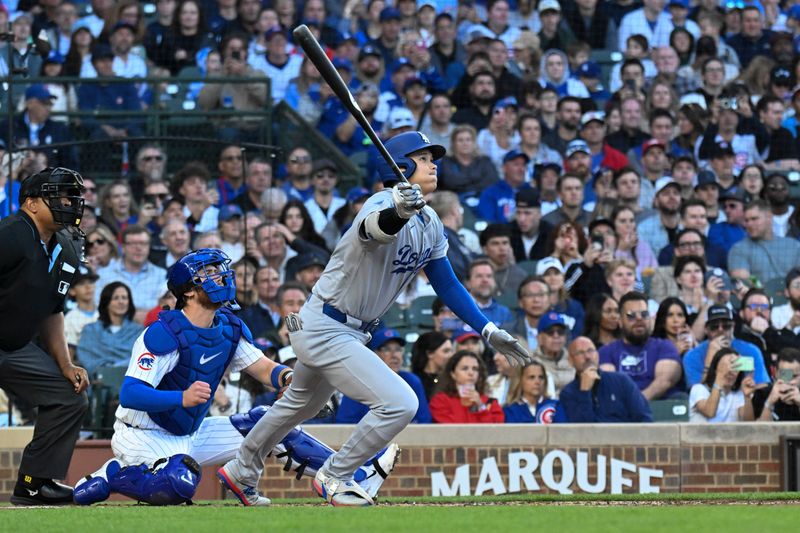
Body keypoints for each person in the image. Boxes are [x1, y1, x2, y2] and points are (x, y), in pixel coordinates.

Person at [219, 131, 530, 506]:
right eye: (425, 157)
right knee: (401, 403)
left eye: (434, 158)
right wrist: (398, 210)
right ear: (402, 166)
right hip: (327, 325)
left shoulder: (430, 220)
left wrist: (486, 327)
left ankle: (241, 469)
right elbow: (374, 231)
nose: (434, 164)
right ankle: (335, 474)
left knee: (299, 406)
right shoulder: (381, 202)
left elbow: (446, 283)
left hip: (345, 329)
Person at [73, 249, 397, 506]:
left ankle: (354, 473)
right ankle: (115, 474)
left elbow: (262, 368)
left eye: (219, 270)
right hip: (142, 435)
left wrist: (287, 379)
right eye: (209, 274)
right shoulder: (162, 332)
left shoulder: (228, 326)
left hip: (193, 431)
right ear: (187, 291)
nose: (220, 277)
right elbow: (130, 394)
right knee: (177, 486)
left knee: (270, 421)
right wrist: (181, 398)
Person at [0, 167, 89, 505]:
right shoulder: (9, 234)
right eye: (63, 196)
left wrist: (65, 363)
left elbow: (53, 310)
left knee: (68, 394)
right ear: (32, 203)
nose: (71, 203)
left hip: (16, 347)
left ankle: (34, 484)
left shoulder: (65, 246)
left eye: (73, 197)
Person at [599, 292, 683, 400]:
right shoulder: (606, 351)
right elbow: (610, 385)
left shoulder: (665, 346)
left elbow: (664, 382)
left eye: (644, 314)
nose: (639, 319)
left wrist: (637, 403)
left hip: (658, 407)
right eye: (631, 316)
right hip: (621, 410)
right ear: (620, 321)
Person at [336, 328, 431, 424]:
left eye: (398, 349)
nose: (394, 355)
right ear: (373, 354)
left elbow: (424, 420)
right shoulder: (358, 382)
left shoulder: (412, 381)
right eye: (386, 349)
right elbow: (345, 423)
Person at [559, 337, 652, 423]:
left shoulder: (621, 381)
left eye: (590, 351)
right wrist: (584, 392)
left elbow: (644, 417)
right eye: (580, 353)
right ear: (570, 361)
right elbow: (581, 431)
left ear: (598, 355)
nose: (587, 357)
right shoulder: (568, 393)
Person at [683, 305, 770, 389]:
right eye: (714, 327)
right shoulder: (692, 356)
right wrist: (709, 360)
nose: (720, 330)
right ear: (706, 329)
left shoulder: (750, 351)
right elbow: (697, 394)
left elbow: (762, 386)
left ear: (733, 327)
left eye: (726, 326)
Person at [76, 282, 144, 378]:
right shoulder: (91, 330)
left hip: (130, 378)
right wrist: (109, 370)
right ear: (106, 302)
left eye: (124, 298)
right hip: (100, 383)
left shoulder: (138, 331)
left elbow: (140, 358)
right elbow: (87, 358)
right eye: (116, 298)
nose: (121, 302)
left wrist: (117, 367)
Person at [429, 350, 505, 424]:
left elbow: (496, 430)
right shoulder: (440, 400)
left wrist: (481, 407)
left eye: (475, 369)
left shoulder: (490, 402)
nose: (471, 373)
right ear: (453, 374)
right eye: (465, 368)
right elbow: (451, 430)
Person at [689, 347, 756, 423]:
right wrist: (720, 377)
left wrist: (747, 397)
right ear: (715, 369)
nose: (730, 372)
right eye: (724, 366)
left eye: (735, 368)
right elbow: (709, 412)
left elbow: (748, 423)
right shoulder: (699, 389)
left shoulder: (738, 394)